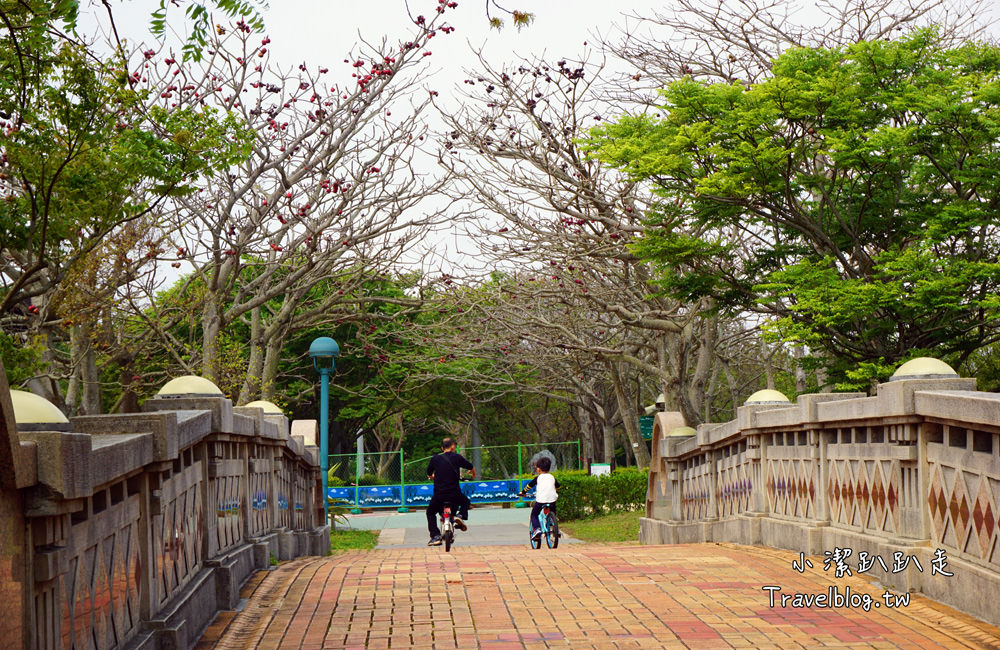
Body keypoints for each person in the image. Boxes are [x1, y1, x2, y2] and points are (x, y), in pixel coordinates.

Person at [426, 437, 475, 546]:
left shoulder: (435, 459)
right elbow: (470, 466)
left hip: (439, 496)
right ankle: (460, 516)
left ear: (442, 448)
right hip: (454, 495)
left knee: (430, 512)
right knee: (466, 502)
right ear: (453, 446)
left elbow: (429, 472)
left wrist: (432, 476)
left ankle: (435, 536)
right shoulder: (457, 457)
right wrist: (473, 471)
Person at [518, 456, 560, 541]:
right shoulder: (552, 477)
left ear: (538, 469)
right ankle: (554, 527)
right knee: (552, 511)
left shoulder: (538, 478)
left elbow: (528, 486)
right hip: (552, 499)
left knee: (534, 515)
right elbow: (558, 486)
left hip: (541, 500)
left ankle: (537, 530)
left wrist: (523, 493)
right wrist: (556, 490)